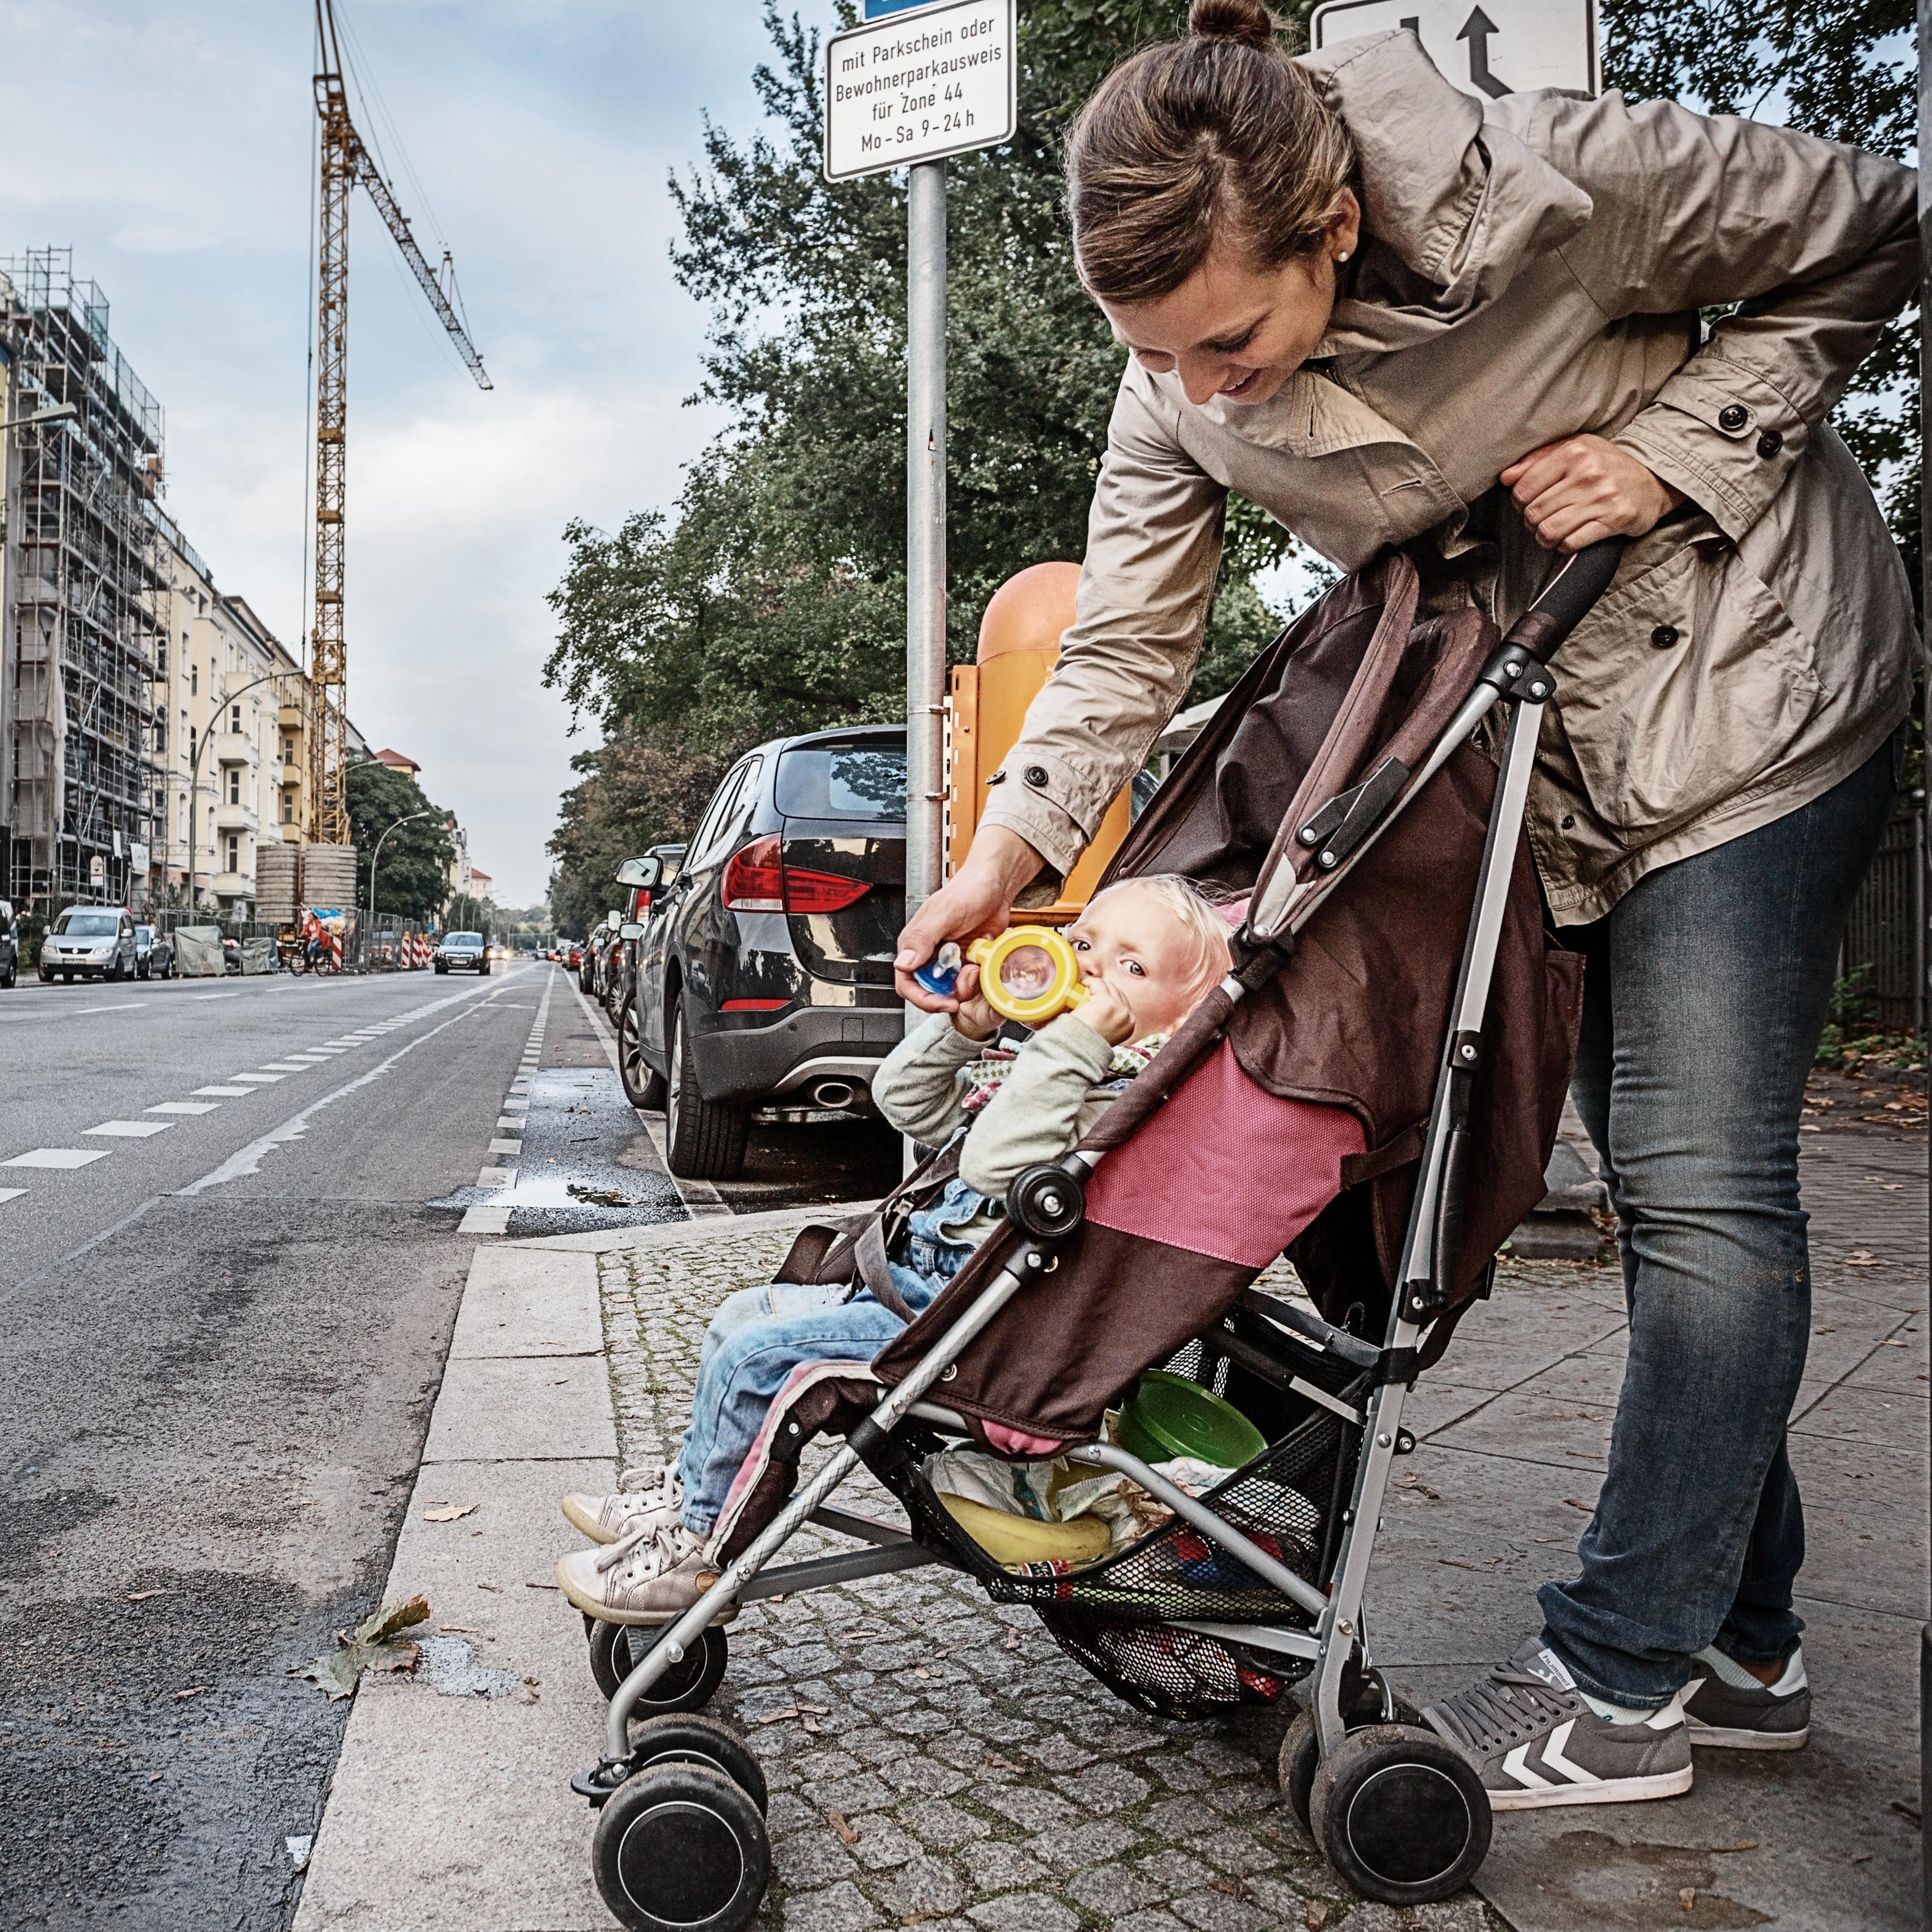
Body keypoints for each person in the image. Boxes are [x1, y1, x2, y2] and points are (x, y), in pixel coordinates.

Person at [893, 2, 1915, 1810]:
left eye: (1228, 337)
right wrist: (1003, 853)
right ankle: (1744, 1643)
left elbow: (1868, 218)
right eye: (1157, 354)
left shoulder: (1551, 184)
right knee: (1662, 1185)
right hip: (1523, 757)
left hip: (1742, 699)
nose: (1204, 390)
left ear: (1337, 227)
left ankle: (1621, 1674)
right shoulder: (1173, 379)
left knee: (1691, 1181)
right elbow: (1127, 630)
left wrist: (1679, 441)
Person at [556, 875, 1352, 1624]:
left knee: (762, 1354)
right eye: (1083, 946)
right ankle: (690, 1489)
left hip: (970, 1330)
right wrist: (962, 1029)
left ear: (1179, 1025)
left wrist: (1069, 1044)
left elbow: (996, 1166)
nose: (1093, 975)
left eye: (1131, 968)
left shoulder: (1109, 1095)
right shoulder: (1058, 1069)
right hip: (922, 1287)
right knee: (742, 1314)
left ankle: (696, 1551)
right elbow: (901, 1101)